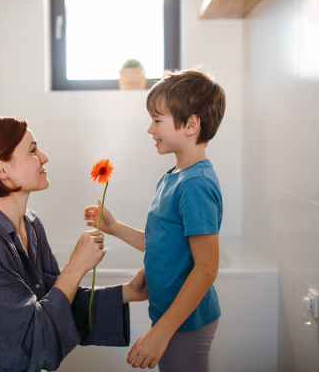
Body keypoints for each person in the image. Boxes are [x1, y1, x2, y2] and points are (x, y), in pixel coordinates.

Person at [0, 116, 148, 372]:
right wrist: (76, 266)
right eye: (33, 150)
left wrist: (129, 292)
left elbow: (57, 301)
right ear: (0, 169)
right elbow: (22, 349)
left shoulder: (31, 223)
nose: (44, 157)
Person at [84, 69, 226, 371]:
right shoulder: (174, 177)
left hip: (184, 323)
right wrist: (115, 228)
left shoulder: (195, 184)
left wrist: (163, 331)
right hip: (170, 315)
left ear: (190, 125)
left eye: (157, 120)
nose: (150, 129)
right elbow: (163, 244)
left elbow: (206, 267)